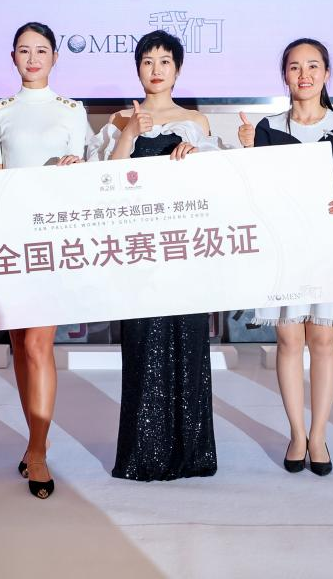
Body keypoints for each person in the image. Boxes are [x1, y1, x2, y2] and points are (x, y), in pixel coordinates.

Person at [0, 22, 89, 499]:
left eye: (41, 51)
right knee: (19, 344)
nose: (32, 59)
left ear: (55, 57)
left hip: (51, 238)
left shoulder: (72, 110)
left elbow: (82, 175)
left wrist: (76, 168)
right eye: (23, 51)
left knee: (38, 344)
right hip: (9, 239)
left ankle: (37, 451)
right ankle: (36, 440)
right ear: (12, 57)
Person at [88, 29, 220, 481]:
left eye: (165, 61)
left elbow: (213, 187)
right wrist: (128, 133)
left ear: (177, 70)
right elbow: (102, 181)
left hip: (184, 251)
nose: (156, 69)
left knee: (189, 342)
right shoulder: (119, 119)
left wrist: (197, 157)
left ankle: (192, 453)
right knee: (142, 343)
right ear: (138, 69)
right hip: (138, 252)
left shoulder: (196, 121)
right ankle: (142, 453)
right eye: (148, 61)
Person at [239, 38, 333, 477]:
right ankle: (296, 433)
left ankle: (319, 435)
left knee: (324, 341)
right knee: (289, 341)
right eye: (295, 67)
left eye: (313, 66)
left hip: (328, 242)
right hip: (284, 245)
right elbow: (255, 189)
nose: (304, 75)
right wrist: (248, 150)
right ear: (285, 75)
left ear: (326, 74)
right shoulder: (267, 126)